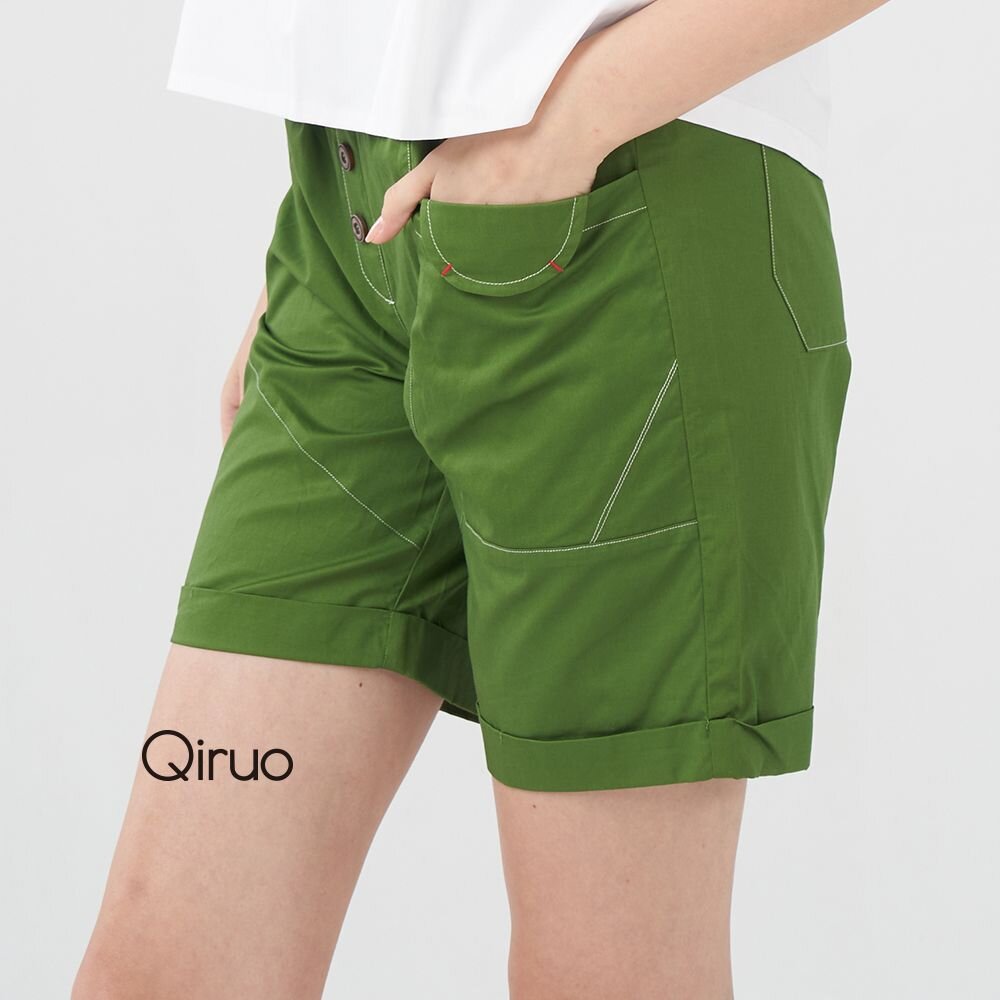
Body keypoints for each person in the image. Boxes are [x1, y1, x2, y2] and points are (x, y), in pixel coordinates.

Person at [73, 1, 887, 997]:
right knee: (159, 973)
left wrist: (573, 120)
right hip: (352, 217)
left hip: (617, 198)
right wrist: (334, 249)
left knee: (602, 979)